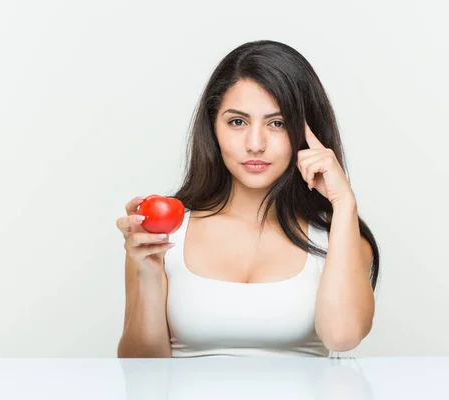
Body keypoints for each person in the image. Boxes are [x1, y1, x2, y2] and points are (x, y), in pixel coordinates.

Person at [116, 40, 380, 358]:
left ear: (306, 133)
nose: (255, 144)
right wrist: (147, 272)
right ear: (213, 127)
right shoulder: (163, 232)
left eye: (277, 123)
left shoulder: (337, 235)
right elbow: (140, 372)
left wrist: (344, 204)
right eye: (237, 122)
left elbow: (342, 337)